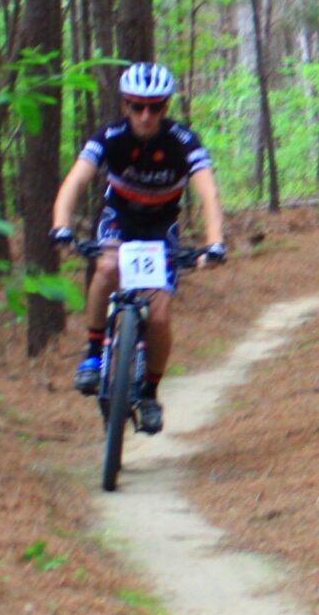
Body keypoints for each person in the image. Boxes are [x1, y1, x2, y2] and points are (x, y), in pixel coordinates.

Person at [48, 62, 227, 434]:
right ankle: (94, 356)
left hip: (160, 227)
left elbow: (208, 193)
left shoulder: (182, 141)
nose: (146, 116)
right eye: (136, 106)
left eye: (156, 107)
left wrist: (214, 243)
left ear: (166, 108)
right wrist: (61, 227)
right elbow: (75, 180)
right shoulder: (110, 137)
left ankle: (148, 393)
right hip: (120, 219)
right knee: (108, 267)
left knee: (159, 315)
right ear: (125, 106)